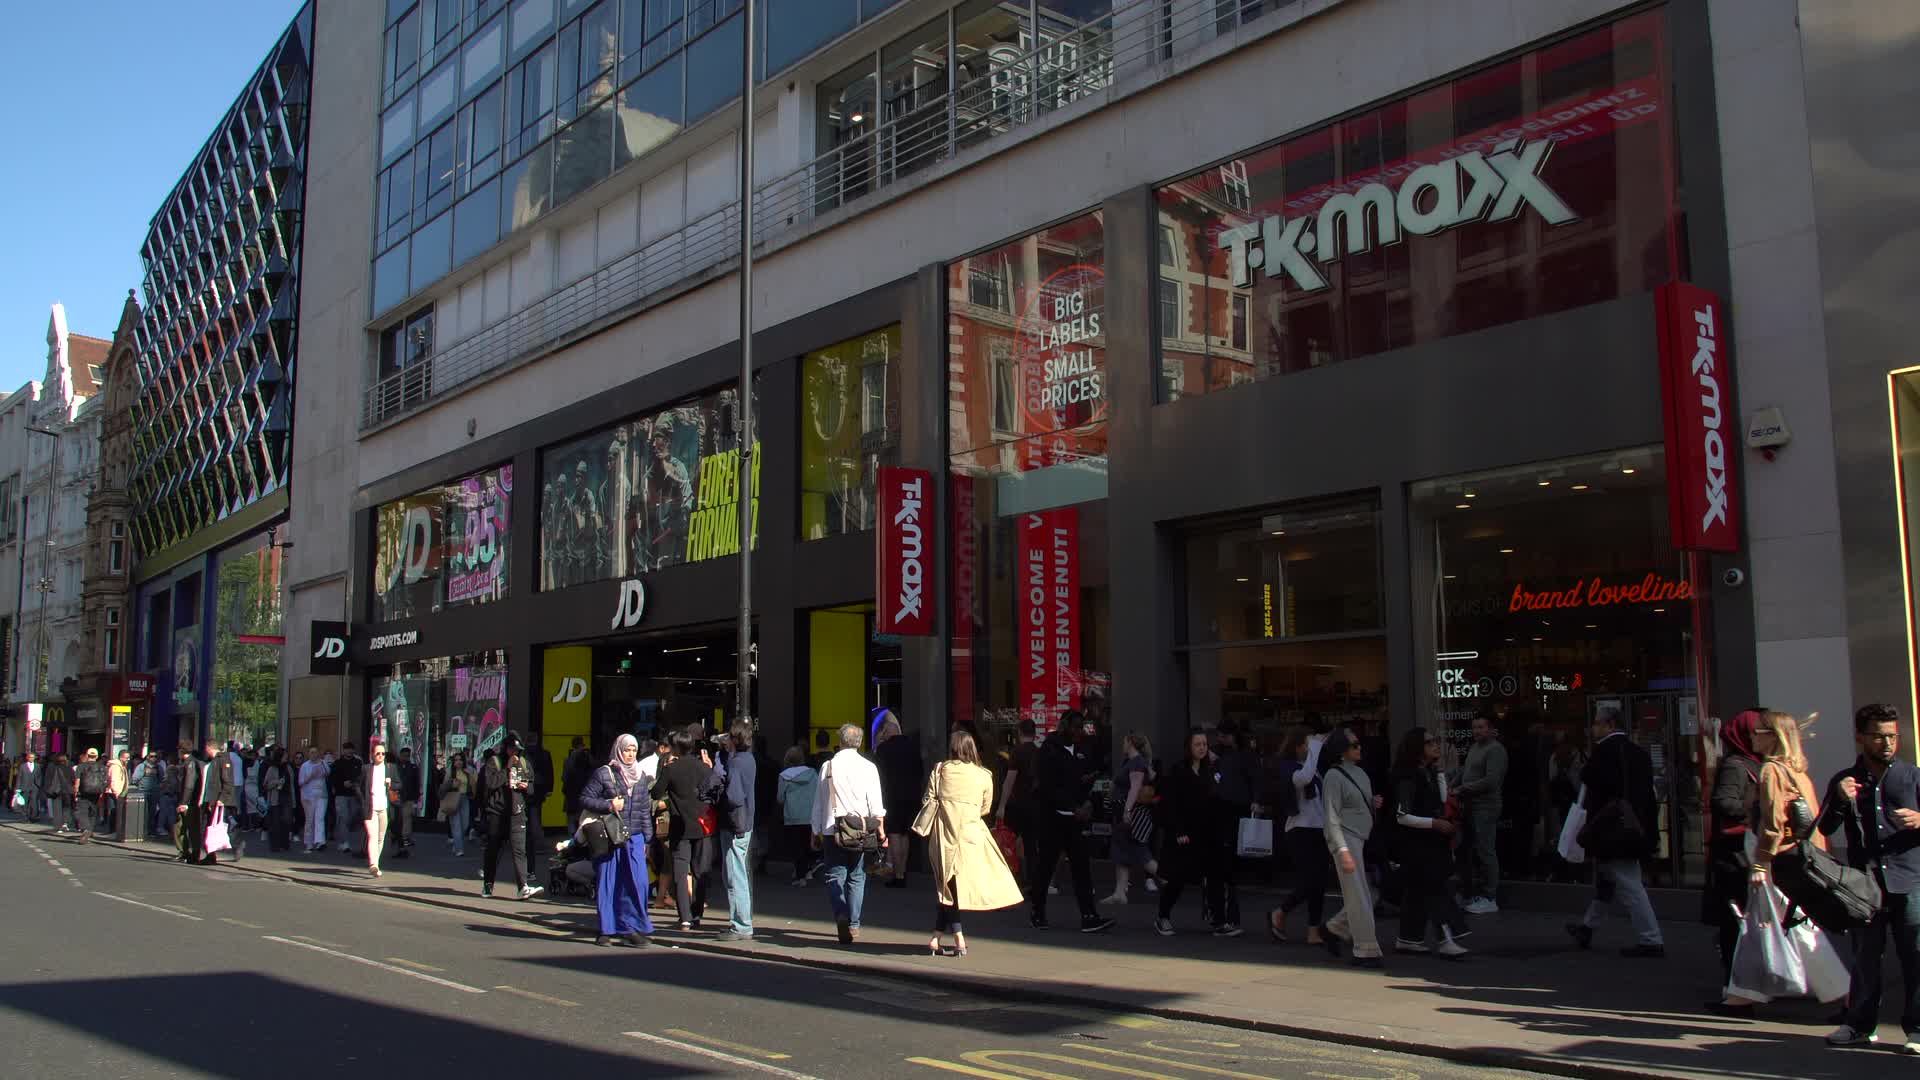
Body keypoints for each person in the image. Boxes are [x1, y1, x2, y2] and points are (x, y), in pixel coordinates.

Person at [1717, 711, 1841, 1014]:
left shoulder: (1771, 770)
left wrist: (1761, 863)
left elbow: (1773, 824)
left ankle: (1844, 994)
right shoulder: (1796, 770)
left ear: (1773, 736)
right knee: (1768, 925)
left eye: (1760, 731)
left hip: (1778, 859)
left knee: (1791, 926)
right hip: (1797, 855)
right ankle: (1742, 994)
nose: (1753, 736)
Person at [1821, 703, 1920, 1051]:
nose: (1887, 743)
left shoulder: (1913, 776)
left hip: (1911, 880)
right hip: (1864, 884)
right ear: (1861, 737)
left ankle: (1918, 1030)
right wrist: (1838, 800)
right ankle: (1860, 1025)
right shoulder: (1846, 781)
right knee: (1865, 956)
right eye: (1879, 736)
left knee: (1916, 956)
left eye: (1892, 736)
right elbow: (1826, 828)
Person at [1566, 707, 1664, 958]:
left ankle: (1651, 938)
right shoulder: (1638, 753)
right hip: (1634, 828)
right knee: (1608, 880)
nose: (1593, 729)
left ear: (1609, 724)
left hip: (1613, 831)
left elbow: (1588, 780)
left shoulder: (1604, 752)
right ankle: (1587, 927)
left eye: (1597, 724)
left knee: (1629, 884)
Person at [920, 729, 1024, 956]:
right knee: (952, 888)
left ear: (953, 748)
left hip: (943, 835)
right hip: (971, 837)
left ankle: (950, 937)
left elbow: (929, 798)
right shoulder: (984, 774)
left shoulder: (941, 770)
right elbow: (986, 807)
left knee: (946, 887)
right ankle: (943, 938)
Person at [1026, 720, 1117, 933]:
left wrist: (1088, 803)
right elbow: (1048, 786)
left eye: (1081, 730)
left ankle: (1089, 915)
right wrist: (1071, 806)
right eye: (1075, 729)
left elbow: (1091, 778)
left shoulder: (1083, 750)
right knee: (1046, 866)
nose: (1079, 733)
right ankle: (1037, 911)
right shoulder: (1049, 750)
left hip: (1075, 818)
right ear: (1065, 728)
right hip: (1052, 817)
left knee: (1081, 867)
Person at [1391, 728, 1468, 958]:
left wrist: (1441, 774)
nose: (1435, 745)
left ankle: (1408, 938)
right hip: (1417, 844)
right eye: (1429, 743)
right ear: (1417, 748)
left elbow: (1443, 801)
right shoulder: (1407, 776)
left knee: (1417, 892)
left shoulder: (1431, 772)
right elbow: (1401, 815)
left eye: (1436, 741)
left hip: (1431, 842)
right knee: (1436, 889)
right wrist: (1434, 824)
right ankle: (1446, 938)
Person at [1704, 709, 1765, 986]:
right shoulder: (1736, 765)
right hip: (1735, 852)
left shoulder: (1757, 762)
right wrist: (1759, 811)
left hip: (1749, 849)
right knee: (1735, 920)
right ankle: (1738, 982)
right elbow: (1724, 802)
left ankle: (1747, 981)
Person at [579, 733, 655, 947]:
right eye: (626, 750)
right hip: (611, 836)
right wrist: (609, 805)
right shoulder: (604, 773)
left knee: (638, 882)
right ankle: (606, 929)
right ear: (618, 751)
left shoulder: (641, 775)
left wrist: (647, 841)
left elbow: (643, 810)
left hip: (634, 837)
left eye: (633, 750)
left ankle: (630, 927)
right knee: (608, 882)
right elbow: (585, 798)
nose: (630, 754)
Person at [814, 723, 887, 944]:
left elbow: (819, 802)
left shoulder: (828, 766)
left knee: (835, 875)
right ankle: (854, 925)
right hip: (861, 828)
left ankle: (841, 914)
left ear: (841, 741)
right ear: (860, 742)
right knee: (857, 877)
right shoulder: (868, 767)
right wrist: (881, 829)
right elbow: (876, 802)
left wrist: (814, 829)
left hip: (832, 828)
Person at [1154, 730, 1228, 936]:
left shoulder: (1210, 771)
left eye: (1205, 744)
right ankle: (1163, 916)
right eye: (1198, 744)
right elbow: (1170, 804)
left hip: (1207, 834)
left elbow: (1215, 801)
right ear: (1189, 747)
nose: (1202, 748)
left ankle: (1219, 921)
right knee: (1178, 877)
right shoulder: (1178, 771)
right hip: (1184, 834)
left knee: (1214, 876)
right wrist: (1178, 830)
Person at [1321, 728, 1384, 967]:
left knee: (1366, 894)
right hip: (1347, 840)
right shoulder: (1333, 777)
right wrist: (1342, 849)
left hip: (1359, 838)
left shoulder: (1360, 774)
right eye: (1354, 745)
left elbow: (1358, 806)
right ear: (1341, 751)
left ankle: (1336, 928)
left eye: (1358, 744)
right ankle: (1366, 948)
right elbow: (1331, 817)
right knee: (1359, 895)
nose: (1359, 748)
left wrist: (1373, 803)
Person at [652, 731, 719, 930]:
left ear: (675, 748)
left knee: (681, 872)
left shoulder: (670, 769)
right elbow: (713, 790)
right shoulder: (703, 768)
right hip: (702, 824)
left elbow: (656, 792)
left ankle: (685, 917)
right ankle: (697, 913)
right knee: (700, 871)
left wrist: (665, 770)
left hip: (680, 825)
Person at [479, 740, 544, 900]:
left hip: (517, 812)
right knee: (494, 849)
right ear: (506, 749)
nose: (515, 753)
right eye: (512, 749)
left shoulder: (524, 763)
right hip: (497, 812)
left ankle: (523, 887)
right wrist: (507, 769)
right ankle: (488, 885)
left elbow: (531, 788)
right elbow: (491, 783)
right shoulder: (495, 762)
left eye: (518, 750)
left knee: (519, 850)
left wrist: (525, 787)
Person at [1457, 714, 1507, 914]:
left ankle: (1490, 897)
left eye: (1481, 727)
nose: (1477, 731)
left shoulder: (1496, 750)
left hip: (1486, 807)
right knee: (1468, 850)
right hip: (1470, 806)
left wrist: (1463, 789)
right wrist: (1452, 783)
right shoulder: (1475, 747)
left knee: (1486, 850)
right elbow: (1465, 771)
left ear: (1490, 728)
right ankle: (1472, 893)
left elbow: (1491, 781)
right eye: (1474, 727)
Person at [1103, 733, 1159, 905]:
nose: (1122, 745)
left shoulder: (1137, 763)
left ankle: (1170, 878)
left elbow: (1135, 788)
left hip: (1130, 814)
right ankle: (1120, 893)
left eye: (1124, 742)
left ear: (1131, 743)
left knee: (1140, 852)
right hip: (1122, 813)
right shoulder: (1129, 761)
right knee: (1121, 852)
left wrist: (1127, 810)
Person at [716, 720, 758, 941]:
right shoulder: (748, 759)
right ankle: (740, 922)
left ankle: (741, 925)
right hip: (745, 823)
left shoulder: (736, 764)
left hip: (735, 824)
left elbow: (733, 797)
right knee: (735, 872)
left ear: (734, 740)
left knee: (735, 875)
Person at [874, 711, 924, 889]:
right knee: (905, 834)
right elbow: (920, 771)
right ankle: (903, 871)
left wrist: (880, 741)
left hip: (892, 796)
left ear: (887, 733)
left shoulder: (883, 749)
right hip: (911, 796)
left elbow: (877, 773)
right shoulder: (912, 746)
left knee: (894, 834)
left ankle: (898, 874)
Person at [995, 719, 1043, 891]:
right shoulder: (1039, 752)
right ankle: (1032, 883)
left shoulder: (1017, 752)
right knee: (1031, 846)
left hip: (1017, 805)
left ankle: (1013, 879)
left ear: (1020, 732)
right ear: (1035, 733)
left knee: (1008, 841)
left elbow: (1009, 781)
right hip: (1034, 805)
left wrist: (1001, 806)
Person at [177, 738, 237, 865]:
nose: (205, 750)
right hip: (207, 802)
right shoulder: (212, 762)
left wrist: (221, 799)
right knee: (206, 829)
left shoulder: (222, 760)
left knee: (210, 829)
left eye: (206, 748)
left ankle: (212, 856)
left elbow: (228, 782)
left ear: (210, 748)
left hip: (215, 802)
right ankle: (210, 855)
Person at [777, 746, 820, 884]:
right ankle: (807, 870)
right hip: (809, 815)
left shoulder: (784, 776)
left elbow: (780, 798)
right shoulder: (812, 773)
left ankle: (800, 875)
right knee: (808, 844)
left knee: (796, 846)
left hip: (792, 815)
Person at [357, 742, 400, 877]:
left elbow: (400, 784)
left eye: (383, 753)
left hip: (384, 807)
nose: (381, 756)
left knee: (381, 837)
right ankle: (373, 864)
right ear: (372, 755)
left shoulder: (390, 768)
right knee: (372, 836)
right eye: (378, 753)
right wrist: (363, 800)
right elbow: (358, 785)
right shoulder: (366, 769)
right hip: (370, 807)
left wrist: (391, 783)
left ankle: (376, 862)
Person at [329, 743, 364, 856]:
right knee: (343, 816)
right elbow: (332, 779)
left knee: (352, 816)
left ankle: (346, 837)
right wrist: (342, 784)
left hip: (355, 794)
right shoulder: (337, 763)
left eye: (351, 749)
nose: (349, 752)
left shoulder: (358, 763)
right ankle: (344, 842)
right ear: (343, 751)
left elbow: (361, 777)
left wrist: (356, 784)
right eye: (346, 750)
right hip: (341, 794)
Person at [259, 747, 295, 852]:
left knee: (287, 822)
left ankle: (285, 844)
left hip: (287, 797)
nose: (286, 757)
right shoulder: (272, 769)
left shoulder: (289, 768)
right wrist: (276, 782)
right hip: (276, 799)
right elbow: (265, 785)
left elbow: (292, 785)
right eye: (284, 756)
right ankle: (275, 845)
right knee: (275, 823)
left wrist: (294, 801)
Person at [297, 746, 329, 852]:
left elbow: (328, 773)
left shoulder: (323, 763)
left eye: (315, 752)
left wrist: (323, 767)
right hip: (308, 796)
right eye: (311, 752)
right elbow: (300, 782)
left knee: (319, 818)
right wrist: (311, 776)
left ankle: (320, 841)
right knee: (310, 819)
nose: (313, 754)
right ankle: (308, 842)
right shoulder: (304, 766)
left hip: (321, 795)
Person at [391, 747, 421, 858]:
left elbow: (416, 783)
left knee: (406, 817)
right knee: (395, 818)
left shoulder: (413, 767)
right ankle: (397, 836)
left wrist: (416, 797)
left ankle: (404, 838)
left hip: (408, 797)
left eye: (407, 756)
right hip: (396, 796)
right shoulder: (395, 767)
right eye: (403, 755)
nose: (405, 758)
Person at [442, 751, 473, 856]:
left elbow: (473, 783)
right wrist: (452, 783)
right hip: (453, 798)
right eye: (456, 760)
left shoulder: (468, 770)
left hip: (465, 798)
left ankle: (457, 842)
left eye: (460, 760)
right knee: (456, 825)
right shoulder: (450, 771)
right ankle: (459, 849)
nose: (458, 762)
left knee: (465, 824)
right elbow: (444, 786)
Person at [74, 748, 109, 843]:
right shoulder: (102, 767)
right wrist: (102, 792)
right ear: (97, 757)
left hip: (83, 792)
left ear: (87, 755)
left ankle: (86, 829)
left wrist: (75, 791)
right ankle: (90, 829)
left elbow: (77, 780)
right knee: (93, 811)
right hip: (97, 792)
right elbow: (105, 781)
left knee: (82, 811)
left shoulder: (81, 766)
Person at [561, 736, 593, 833]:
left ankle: (572, 841)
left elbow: (564, 777)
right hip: (584, 791)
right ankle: (581, 841)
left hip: (571, 792)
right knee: (583, 818)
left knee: (571, 818)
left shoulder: (568, 760)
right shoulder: (587, 757)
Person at [43, 753, 75, 833]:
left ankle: (58, 826)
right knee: (66, 807)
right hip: (67, 790)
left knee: (57, 808)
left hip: (56, 790)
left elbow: (48, 778)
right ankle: (65, 823)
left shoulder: (52, 766)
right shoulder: (69, 767)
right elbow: (73, 778)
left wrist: (47, 789)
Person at [106, 750, 130, 834]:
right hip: (115, 793)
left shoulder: (122, 765)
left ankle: (115, 829)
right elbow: (114, 780)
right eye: (126, 758)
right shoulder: (116, 766)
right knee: (114, 811)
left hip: (119, 792)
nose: (128, 759)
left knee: (116, 811)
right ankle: (112, 830)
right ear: (121, 757)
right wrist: (117, 793)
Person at [16, 751, 39, 824]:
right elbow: (19, 777)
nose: (31, 759)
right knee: (25, 803)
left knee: (34, 802)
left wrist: (38, 785)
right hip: (24, 786)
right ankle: (25, 817)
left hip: (34, 787)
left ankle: (33, 817)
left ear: (34, 758)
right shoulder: (23, 766)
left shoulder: (38, 766)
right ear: (27, 758)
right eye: (30, 757)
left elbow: (40, 776)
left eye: (32, 757)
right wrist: (18, 788)